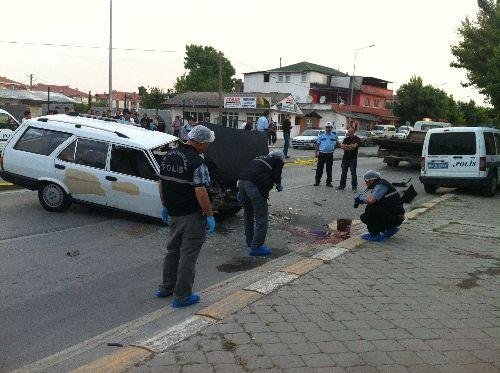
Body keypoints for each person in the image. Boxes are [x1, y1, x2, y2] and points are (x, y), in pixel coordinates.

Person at [156, 125, 216, 307]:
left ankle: (166, 287)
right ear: (201, 142)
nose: (207, 147)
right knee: (188, 256)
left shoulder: (169, 155)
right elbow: (201, 192)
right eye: (207, 143)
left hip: (174, 214)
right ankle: (182, 297)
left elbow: (161, 182)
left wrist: (165, 205)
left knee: (172, 252)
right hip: (191, 216)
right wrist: (210, 214)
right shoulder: (197, 163)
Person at [238, 150, 285, 256]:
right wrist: (279, 186)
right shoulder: (277, 160)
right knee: (261, 218)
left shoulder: (258, 158)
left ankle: (250, 241)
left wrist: (241, 191)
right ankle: (256, 247)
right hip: (254, 187)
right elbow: (277, 176)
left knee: (248, 215)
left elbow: (246, 171)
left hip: (241, 183)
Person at [356, 170, 405, 241]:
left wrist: (361, 200)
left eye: (366, 181)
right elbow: (373, 199)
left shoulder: (381, 186)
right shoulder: (380, 184)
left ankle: (375, 235)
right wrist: (362, 200)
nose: (366, 183)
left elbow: (371, 201)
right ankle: (389, 229)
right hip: (395, 215)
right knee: (364, 216)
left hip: (395, 217)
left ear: (371, 181)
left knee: (370, 209)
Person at [314, 122, 338, 187]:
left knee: (329, 169)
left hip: (330, 154)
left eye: (329, 127)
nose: (328, 129)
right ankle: (317, 181)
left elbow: (337, 143)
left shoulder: (334, 135)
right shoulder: (321, 135)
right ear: (325, 128)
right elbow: (317, 144)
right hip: (322, 154)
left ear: (331, 128)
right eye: (327, 127)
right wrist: (316, 152)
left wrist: (333, 149)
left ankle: (328, 182)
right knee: (319, 168)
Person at [338, 127, 361, 191]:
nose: (349, 133)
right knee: (343, 173)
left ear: (354, 132)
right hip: (345, 158)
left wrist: (346, 147)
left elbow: (354, 146)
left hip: (353, 158)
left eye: (351, 131)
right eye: (349, 132)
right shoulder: (346, 139)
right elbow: (342, 146)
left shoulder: (357, 139)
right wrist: (349, 147)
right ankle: (342, 186)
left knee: (353, 173)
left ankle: (354, 187)